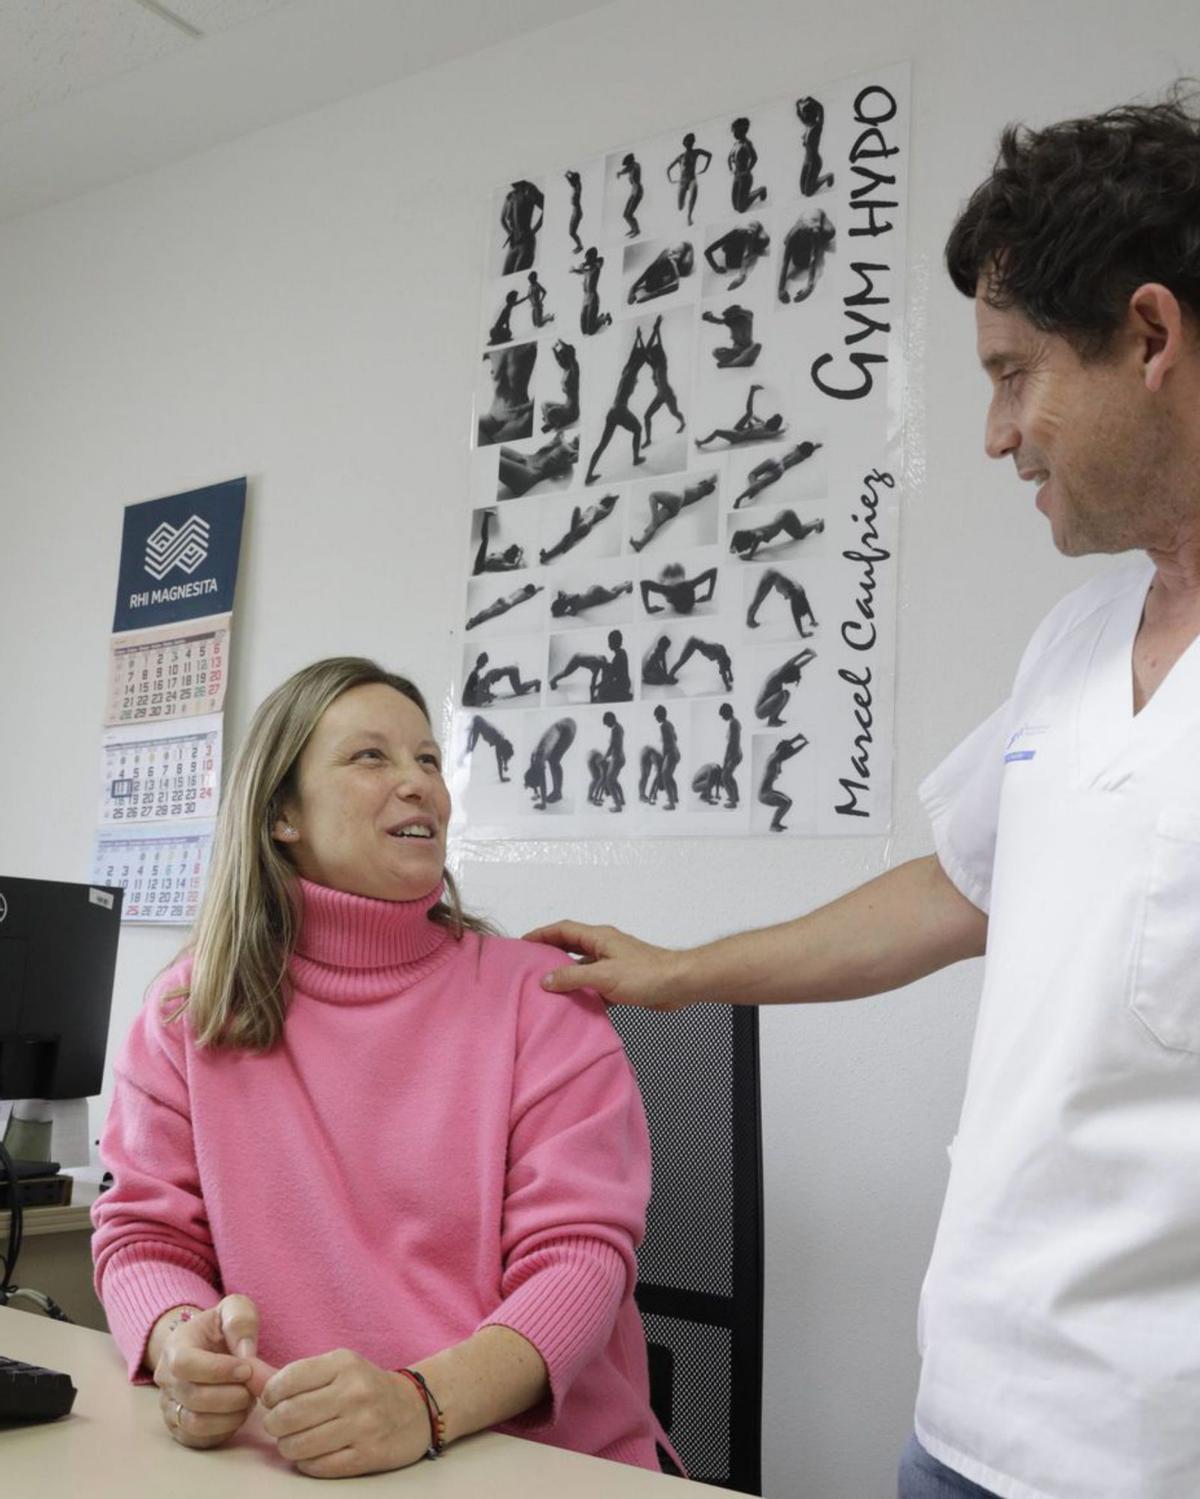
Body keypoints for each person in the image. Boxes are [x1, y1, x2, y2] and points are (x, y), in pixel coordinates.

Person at [527, 92, 1200, 1499]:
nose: (996, 433)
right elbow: (958, 883)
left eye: (1016, 375)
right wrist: (681, 972)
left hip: (1153, 1443)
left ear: (1149, 337)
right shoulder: (1078, 643)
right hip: (967, 1412)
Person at [91, 657, 678, 1479]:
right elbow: (144, 1234)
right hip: (284, 1458)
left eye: (429, 761)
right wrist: (177, 1337)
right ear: (282, 813)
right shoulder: (192, 1009)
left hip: (533, 1460)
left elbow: (580, 1262)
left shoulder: (543, 997)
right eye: (372, 757)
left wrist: (420, 1402)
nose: (419, 786)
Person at [585, 330, 647, 483]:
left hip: (612, 411)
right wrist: (653, 331)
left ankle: (588, 476)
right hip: (621, 410)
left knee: (602, 445)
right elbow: (642, 355)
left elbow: (633, 356)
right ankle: (636, 459)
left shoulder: (625, 371)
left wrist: (637, 337)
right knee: (638, 430)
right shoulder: (632, 373)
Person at [629, 473, 718, 552]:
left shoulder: (701, 489)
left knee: (653, 495)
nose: (712, 477)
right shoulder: (700, 488)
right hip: (675, 508)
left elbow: (706, 484)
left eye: (713, 478)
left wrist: (708, 481)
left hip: (679, 498)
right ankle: (640, 544)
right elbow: (706, 482)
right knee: (655, 524)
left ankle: (652, 523)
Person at [477, 343, 536, 446]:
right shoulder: (491, 349)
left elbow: (551, 382)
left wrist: (527, 408)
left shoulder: (530, 345)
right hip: (493, 415)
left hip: (520, 417)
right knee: (468, 427)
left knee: (493, 446)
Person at [732, 441, 823, 507]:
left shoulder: (795, 447)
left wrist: (814, 445)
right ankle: (741, 497)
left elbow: (805, 447)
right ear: (807, 453)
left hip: (775, 459)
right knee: (761, 484)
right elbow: (809, 451)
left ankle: (753, 488)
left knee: (752, 474)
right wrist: (815, 447)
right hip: (781, 469)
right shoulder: (802, 457)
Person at [642, 315, 687, 443]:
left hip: (667, 393)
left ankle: (683, 422)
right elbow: (647, 351)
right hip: (659, 395)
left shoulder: (662, 364)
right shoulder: (654, 366)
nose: (650, 355)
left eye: (652, 354)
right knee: (647, 416)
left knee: (675, 413)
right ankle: (648, 440)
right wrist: (652, 331)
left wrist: (657, 329)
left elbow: (659, 344)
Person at [694, 384, 786, 449]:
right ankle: (752, 390)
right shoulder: (763, 423)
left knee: (717, 431)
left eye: (772, 418)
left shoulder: (768, 432)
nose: (769, 418)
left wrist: (785, 429)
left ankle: (701, 443)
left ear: (773, 423)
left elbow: (776, 433)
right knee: (749, 413)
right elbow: (753, 415)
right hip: (739, 429)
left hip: (738, 436)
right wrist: (750, 420)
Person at [539, 493, 618, 564]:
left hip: (586, 526)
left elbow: (608, 511)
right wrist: (610, 496)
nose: (602, 501)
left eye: (604, 501)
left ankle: (553, 552)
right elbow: (602, 497)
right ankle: (548, 555)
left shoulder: (600, 511)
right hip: (580, 523)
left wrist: (614, 500)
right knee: (566, 538)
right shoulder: (593, 506)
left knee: (569, 534)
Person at [777, 209, 835, 304]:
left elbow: (813, 260)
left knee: (830, 232)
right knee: (786, 242)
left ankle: (820, 221)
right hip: (804, 220)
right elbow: (785, 262)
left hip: (818, 214)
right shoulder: (792, 237)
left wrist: (809, 287)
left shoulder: (814, 231)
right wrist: (781, 290)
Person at [497, 433, 577, 499]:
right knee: (495, 450)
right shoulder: (562, 439)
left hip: (529, 475)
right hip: (526, 459)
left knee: (495, 459)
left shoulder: (571, 454)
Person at [757, 731, 808, 830]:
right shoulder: (773, 758)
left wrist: (803, 743)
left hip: (768, 791)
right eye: (786, 752)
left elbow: (791, 753)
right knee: (785, 803)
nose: (788, 755)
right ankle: (773, 825)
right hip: (763, 794)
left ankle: (776, 823)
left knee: (789, 801)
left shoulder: (777, 760)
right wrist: (797, 738)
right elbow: (785, 751)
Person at [746, 569, 819, 636]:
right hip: (770, 576)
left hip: (775, 576)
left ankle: (750, 620)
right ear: (799, 606)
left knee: (758, 600)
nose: (786, 599)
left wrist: (813, 620)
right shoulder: (796, 594)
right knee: (758, 600)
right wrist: (802, 634)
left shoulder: (801, 593)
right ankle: (749, 621)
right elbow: (795, 615)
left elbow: (808, 607)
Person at [523, 717, 577, 809]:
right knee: (552, 760)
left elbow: (542, 781)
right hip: (563, 723)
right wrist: (536, 792)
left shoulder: (538, 758)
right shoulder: (533, 759)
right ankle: (557, 791)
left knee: (554, 761)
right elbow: (534, 777)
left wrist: (543, 804)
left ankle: (558, 793)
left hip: (568, 728)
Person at [754, 648, 817, 725]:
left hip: (765, 706)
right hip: (760, 711)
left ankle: (774, 718)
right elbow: (790, 662)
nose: (787, 683)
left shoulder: (782, 673)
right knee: (781, 695)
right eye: (789, 681)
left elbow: (798, 666)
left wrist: (812, 657)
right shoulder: (777, 674)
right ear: (787, 676)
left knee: (787, 693)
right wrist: (804, 653)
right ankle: (772, 721)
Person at [730, 511, 824, 561]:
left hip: (786, 517)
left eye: (745, 548)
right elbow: (737, 533)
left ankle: (817, 523)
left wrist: (750, 555)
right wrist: (732, 546)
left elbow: (758, 537)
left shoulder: (754, 535)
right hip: (782, 517)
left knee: (799, 535)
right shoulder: (749, 533)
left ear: (745, 542)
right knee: (798, 531)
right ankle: (814, 521)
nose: (746, 549)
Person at [703, 221, 770, 291]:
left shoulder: (739, 233)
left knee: (761, 242)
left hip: (733, 256)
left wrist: (715, 268)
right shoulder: (747, 236)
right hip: (734, 260)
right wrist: (715, 268)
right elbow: (707, 252)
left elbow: (707, 252)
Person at [666, 133, 712, 226]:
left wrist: (705, 169)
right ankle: (683, 205)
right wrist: (670, 180)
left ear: (693, 142)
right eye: (687, 142)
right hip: (683, 182)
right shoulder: (681, 156)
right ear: (684, 144)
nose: (689, 144)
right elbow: (668, 168)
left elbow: (709, 155)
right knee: (680, 207)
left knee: (693, 196)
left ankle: (689, 217)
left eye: (691, 141)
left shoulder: (697, 152)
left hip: (692, 180)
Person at [500, 179, 544, 274]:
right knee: (504, 276)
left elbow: (547, 206)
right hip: (513, 244)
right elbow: (502, 219)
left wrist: (534, 231)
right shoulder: (510, 196)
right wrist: (509, 233)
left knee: (518, 274)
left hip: (526, 242)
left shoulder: (529, 189)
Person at [640, 563, 718, 616]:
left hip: (675, 575)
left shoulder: (689, 585)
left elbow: (713, 571)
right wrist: (709, 595)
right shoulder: (670, 590)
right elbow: (644, 583)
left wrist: (648, 609)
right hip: (668, 575)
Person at [627, 244, 694, 304]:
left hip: (656, 283)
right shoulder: (659, 263)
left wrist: (648, 297)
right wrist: (633, 289)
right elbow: (644, 277)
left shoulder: (674, 268)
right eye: (674, 252)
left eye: (679, 254)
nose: (673, 254)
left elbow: (675, 285)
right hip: (654, 280)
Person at [465, 582, 542, 633]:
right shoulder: (525, 595)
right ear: (529, 592)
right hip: (507, 604)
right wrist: (537, 590)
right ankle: (473, 623)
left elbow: (530, 592)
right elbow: (531, 595)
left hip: (503, 599)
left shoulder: (520, 589)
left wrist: (536, 589)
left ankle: (474, 620)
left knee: (488, 610)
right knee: (489, 613)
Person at [795, 96, 833, 197]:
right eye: (804, 114)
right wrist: (797, 105)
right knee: (802, 190)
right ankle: (814, 181)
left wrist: (812, 100)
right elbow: (799, 116)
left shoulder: (817, 127)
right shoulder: (808, 126)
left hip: (815, 162)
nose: (804, 117)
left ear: (812, 115)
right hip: (807, 162)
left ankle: (827, 177)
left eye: (806, 115)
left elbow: (821, 108)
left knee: (808, 192)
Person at [540, 340, 581, 433]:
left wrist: (560, 342)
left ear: (568, 358)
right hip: (565, 406)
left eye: (562, 358)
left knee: (550, 412)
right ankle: (551, 422)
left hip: (572, 411)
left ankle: (551, 422)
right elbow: (558, 360)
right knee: (544, 404)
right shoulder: (565, 370)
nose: (560, 360)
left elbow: (570, 356)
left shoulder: (574, 371)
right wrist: (554, 349)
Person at [668, 635, 734, 692]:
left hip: (695, 642)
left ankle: (670, 675)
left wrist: (730, 676)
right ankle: (670, 677)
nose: (720, 668)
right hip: (692, 644)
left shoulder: (723, 651)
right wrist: (727, 686)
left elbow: (727, 666)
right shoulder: (719, 655)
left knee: (681, 661)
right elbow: (724, 672)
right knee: (681, 661)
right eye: (721, 667)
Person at [728, 117, 767, 212]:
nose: (734, 134)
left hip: (745, 177)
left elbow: (754, 158)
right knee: (735, 207)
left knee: (741, 208)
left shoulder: (747, 143)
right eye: (733, 132)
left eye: (735, 132)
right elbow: (729, 158)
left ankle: (761, 190)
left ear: (742, 131)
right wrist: (731, 169)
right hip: (736, 176)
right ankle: (747, 195)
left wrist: (748, 170)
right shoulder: (736, 144)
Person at [571, 247, 612, 335]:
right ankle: (598, 318)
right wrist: (574, 270)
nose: (586, 260)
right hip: (585, 299)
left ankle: (604, 318)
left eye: (588, 258)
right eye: (586, 258)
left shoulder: (596, 267)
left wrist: (585, 263)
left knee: (590, 331)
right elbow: (581, 271)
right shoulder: (587, 270)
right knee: (583, 331)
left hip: (593, 298)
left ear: (592, 258)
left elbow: (601, 260)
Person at [461, 714, 513, 781]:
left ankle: (501, 777)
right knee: (470, 744)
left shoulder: (499, 737)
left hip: (492, 733)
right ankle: (461, 760)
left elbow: (503, 755)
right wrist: (472, 747)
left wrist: (505, 765)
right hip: (484, 727)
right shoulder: (482, 725)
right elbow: (474, 737)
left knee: (499, 758)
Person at [472, 508, 525, 574]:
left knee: (485, 540)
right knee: (485, 540)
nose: (507, 549)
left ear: (510, 554)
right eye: (509, 548)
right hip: (480, 565)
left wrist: (521, 554)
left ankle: (486, 516)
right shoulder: (501, 555)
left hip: (480, 566)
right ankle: (486, 516)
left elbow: (515, 566)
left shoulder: (504, 563)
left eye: (510, 550)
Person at [551, 580, 632, 618]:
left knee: (614, 595)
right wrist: (561, 598)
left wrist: (567, 612)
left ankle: (627, 585)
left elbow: (574, 613)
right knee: (611, 592)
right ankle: (624, 584)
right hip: (592, 590)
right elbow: (560, 592)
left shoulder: (572, 605)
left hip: (594, 595)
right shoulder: (566, 597)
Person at [650, 706, 679, 809]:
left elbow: (667, 744)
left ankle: (671, 804)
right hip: (676, 752)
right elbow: (675, 738)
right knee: (669, 776)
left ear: (660, 715)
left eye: (656, 716)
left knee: (665, 778)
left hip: (670, 753)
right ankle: (675, 797)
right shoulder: (670, 724)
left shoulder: (663, 726)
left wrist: (664, 757)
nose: (656, 718)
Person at [596, 628, 632, 703]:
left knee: (602, 693)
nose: (608, 645)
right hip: (627, 683)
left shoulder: (617, 658)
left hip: (622, 686)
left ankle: (624, 695)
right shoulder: (623, 652)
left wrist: (598, 686)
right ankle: (623, 694)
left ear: (613, 643)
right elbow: (615, 668)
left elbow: (610, 677)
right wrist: (607, 665)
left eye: (609, 642)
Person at [718, 701, 742, 808]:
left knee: (725, 777)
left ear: (727, 713)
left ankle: (733, 802)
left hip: (734, 754)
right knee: (729, 776)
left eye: (723, 715)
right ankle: (735, 796)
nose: (722, 718)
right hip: (737, 753)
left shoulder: (733, 723)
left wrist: (727, 759)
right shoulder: (735, 722)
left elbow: (732, 743)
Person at [600, 711, 626, 811]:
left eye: (606, 722)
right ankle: (622, 800)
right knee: (614, 780)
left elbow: (612, 746)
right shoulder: (619, 727)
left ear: (611, 719)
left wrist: (605, 757)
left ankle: (618, 806)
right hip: (621, 757)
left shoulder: (615, 729)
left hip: (617, 758)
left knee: (609, 782)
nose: (606, 725)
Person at [616, 153, 643, 238]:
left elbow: (628, 168)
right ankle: (633, 228)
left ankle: (637, 231)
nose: (627, 165)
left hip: (638, 191)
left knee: (629, 214)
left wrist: (620, 173)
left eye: (628, 163)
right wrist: (620, 172)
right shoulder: (632, 166)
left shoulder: (635, 165)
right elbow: (627, 169)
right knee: (625, 214)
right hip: (633, 191)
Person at [564, 169, 584, 254]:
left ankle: (580, 246)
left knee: (572, 232)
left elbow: (575, 181)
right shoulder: (575, 186)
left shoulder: (578, 186)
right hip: (575, 212)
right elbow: (570, 181)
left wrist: (570, 174)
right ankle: (579, 246)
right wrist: (568, 175)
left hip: (577, 212)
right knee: (571, 232)